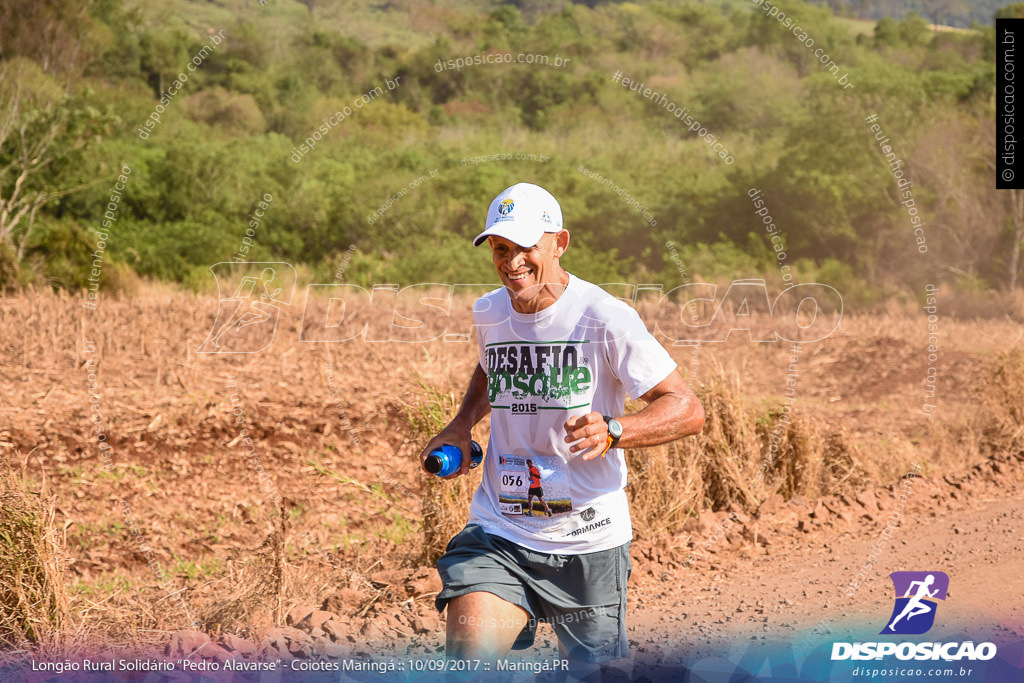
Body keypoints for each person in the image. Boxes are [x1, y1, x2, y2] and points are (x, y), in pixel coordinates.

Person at [419, 182, 705, 681]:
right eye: (500, 249)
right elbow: (493, 367)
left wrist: (616, 430)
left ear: (560, 242)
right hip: (501, 530)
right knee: (466, 668)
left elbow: (686, 408)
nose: (513, 263)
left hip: (588, 538)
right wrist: (461, 425)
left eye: (526, 247)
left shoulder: (604, 317)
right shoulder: (490, 311)